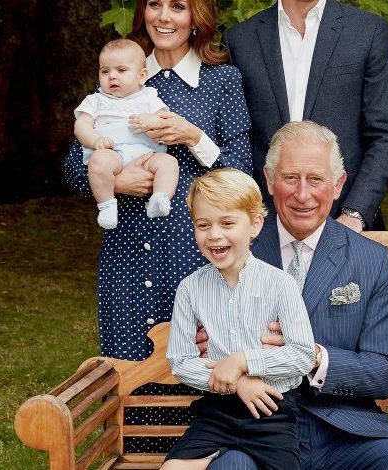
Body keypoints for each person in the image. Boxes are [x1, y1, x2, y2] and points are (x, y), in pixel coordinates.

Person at [63, 0, 252, 453]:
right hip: (127, 255)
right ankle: (138, 457)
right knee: (131, 375)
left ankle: (207, 458)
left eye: (178, 6)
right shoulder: (119, 71)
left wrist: (193, 137)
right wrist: (115, 181)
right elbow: (74, 165)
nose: (163, 16)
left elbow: (242, 170)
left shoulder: (220, 80)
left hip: (195, 254)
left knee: (202, 367)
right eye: (154, 4)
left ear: (197, 18)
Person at [204, 121, 388, 470]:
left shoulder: (370, 260)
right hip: (252, 427)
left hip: (345, 430)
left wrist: (314, 358)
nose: (303, 194)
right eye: (290, 178)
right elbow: (203, 345)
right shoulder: (231, 250)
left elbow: (387, 372)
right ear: (268, 179)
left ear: (338, 184)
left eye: (316, 179)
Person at [163, 169, 314, 470]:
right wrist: (237, 382)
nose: (214, 235)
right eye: (202, 225)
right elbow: (181, 361)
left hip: (271, 410)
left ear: (255, 224)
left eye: (227, 223)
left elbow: (302, 355)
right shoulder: (190, 288)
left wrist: (244, 360)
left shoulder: (280, 284)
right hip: (217, 411)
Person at [222, 0, 388, 232]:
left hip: (346, 222)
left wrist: (355, 213)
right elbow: (237, 141)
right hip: (264, 228)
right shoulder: (239, 40)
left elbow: (385, 135)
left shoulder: (368, 31)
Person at [74, 39, 177, 229]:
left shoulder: (149, 97)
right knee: (99, 162)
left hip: (146, 155)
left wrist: (154, 121)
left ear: (141, 76)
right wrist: (95, 140)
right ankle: (107, 205)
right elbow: (81, 126)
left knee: (169, 163)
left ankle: (160, 198)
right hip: (112, 154)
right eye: (105, 71)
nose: (112, 76)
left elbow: (166, 121)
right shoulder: (95, 100)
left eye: (121, 70)